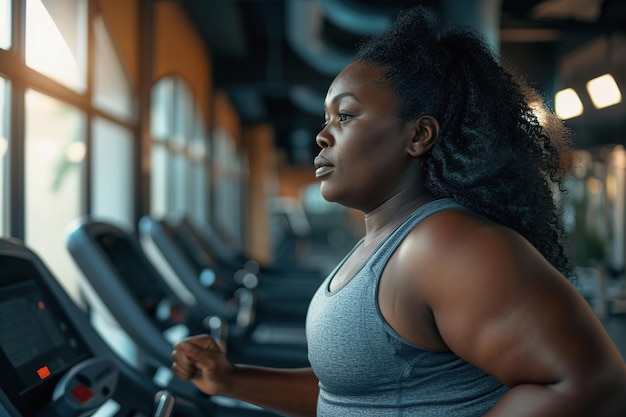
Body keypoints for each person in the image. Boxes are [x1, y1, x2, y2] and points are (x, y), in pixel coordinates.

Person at [171, 6, 626, 416]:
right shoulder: (387, 242)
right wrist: (231, 380)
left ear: (418, 136)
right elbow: (348, 395)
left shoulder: (445, 244)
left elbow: (589, 382)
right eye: (325, 120)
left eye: (345, 117)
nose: (322, 136)